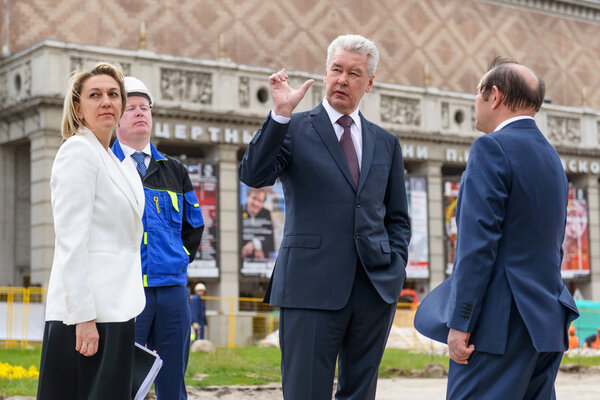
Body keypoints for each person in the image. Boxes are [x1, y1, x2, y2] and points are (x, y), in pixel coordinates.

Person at [239, 34, 411, 400]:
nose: (342, 79)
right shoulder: (294, 129)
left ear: (370, 83)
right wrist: (280, 115)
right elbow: (254, 175)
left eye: (354, 73)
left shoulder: (386, 143)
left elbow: (397, 218)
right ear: (325, 71)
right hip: (310, 288)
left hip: (373, 290)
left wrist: (394, 267)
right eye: (336, 69)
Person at [414, 57, 579, 399]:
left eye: (477, 91)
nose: (475, 101)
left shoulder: (491, 148)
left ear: (495, 95)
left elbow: (477, 246)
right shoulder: (552, 158)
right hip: (546, 321)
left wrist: (461, 323)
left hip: (496, 327)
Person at [37, 63, 146, 399]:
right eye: (95, 95)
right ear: (77, 108)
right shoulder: (77, 152)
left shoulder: (115, 161)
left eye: (114, 94)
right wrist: (83, 317)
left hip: (117, 308)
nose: (106, 102)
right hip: (87, 315)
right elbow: (71, 242)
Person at [112, 76, 205, 400]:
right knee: (122, 379)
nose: (140, 113)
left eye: (145, 108)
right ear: (117, 118)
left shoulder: (174, 169)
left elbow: (194, 225)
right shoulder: (107, 164)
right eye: (131, 108)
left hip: (172, 292)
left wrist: (177, 258)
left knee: (172, 381)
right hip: (125, 291)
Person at [241, 187, 275, 260]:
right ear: (247, 197)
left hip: (261, 263)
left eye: (259, 201)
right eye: (254, 198)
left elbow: (271, 243)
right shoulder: (239, 211)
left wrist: (254, 244)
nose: (256, 203)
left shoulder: (266, 214)